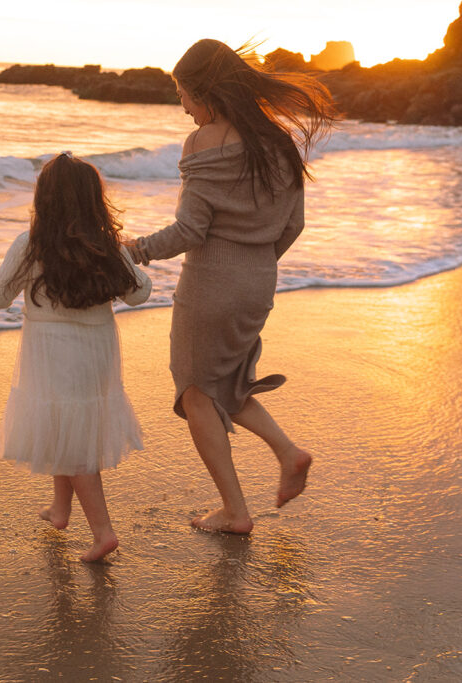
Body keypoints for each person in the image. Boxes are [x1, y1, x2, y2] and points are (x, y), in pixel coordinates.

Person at [127, 39, 336, 534]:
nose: (184, 107)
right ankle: (288, 452)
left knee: (195, 392)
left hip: (212, 285)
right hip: (259, 282)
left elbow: (188, 231)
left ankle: (235, 512)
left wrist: (132, 250)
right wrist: (253, 264)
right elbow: (294, 225)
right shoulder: (278, 142)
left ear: (205, 92)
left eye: (183, 94)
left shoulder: (203, 142)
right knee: (229, 383)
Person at [0, 151, 152, 562]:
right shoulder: (107, 245)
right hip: (97, 349)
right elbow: (140, 293)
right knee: (67, 423)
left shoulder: (32, 244)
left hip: (53, 349)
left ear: (44, 199)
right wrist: (120, 256)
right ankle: (60, 508)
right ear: (93, 200)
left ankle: (103, 533)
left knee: (70, 436)